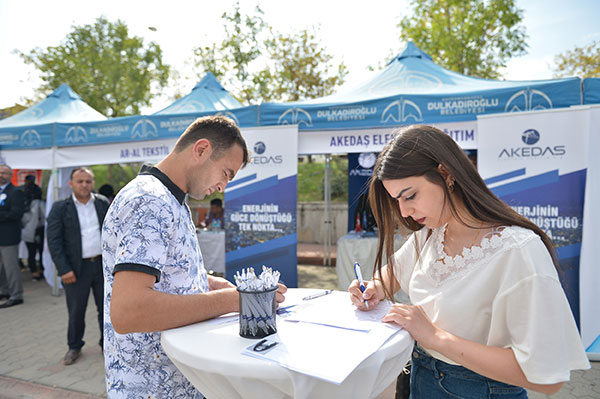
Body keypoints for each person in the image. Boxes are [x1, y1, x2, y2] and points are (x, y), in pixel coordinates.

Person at [348, 125, 590, 398]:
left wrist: (435, 337)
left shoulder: (517, 251)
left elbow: (547, 379)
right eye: (397, 201)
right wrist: (372, 287)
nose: (404, 211)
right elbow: (391, 273)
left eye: (411, 196)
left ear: (446, 173)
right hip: (422, 378)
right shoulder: (430, 234)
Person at [102, 115, 287, 398]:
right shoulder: (149, 200)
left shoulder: (171, 200)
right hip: (152, 387)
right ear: (201, 150)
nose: (224, 186)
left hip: (174, 379)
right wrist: (232, 301)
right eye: (226, 173)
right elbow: (129, 310)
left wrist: (216, 285)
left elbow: (167, 275)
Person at [46, 167, 110, 365]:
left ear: (93, 183)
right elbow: (54, 241)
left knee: (106, 309)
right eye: (80, 181)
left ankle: (107, 345)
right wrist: (64, 269)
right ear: (71, 184)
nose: (84, 185)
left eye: (88, 181)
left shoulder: (102, 203)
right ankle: (74, 346)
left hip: (101, 266)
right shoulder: (60, 208)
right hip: (75, 269)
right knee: (76, 311)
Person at [0, 164, 25, 308]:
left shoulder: (16, 192)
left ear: (10, 175)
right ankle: (4, 290)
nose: (1, 175)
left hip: (9, 237)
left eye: (4, 173)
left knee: (11, 267)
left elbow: (16, 213)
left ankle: (16, 295)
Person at [21, 175, 45, 280]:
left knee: (32, 252)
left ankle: (34, 272)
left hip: (28, 231)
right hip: (39, 230)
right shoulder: (40, 203)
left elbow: (23, 219)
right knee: (41, 251)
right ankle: (40, 270)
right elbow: (45, 216)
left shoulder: (23, 202)